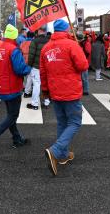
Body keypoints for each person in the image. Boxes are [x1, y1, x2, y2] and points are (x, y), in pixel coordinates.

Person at [40, 19, 89, 177]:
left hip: (54, 91)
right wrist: (78, 49)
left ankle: (62, 155)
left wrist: (46, 91)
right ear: (66, 29)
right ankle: (55, 150)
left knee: (62, 122)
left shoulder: (46, 48)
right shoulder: (72, 45)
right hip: (70, 91)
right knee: (75, 122)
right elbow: (83, 66)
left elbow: (43, 72)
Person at [0, 24, 31, 155]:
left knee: (10, 114)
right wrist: (29, 68)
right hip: (13, 86)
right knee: (12, 116)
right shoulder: (14, 49)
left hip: (2, 85)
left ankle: (17, 139)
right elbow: (20, 69)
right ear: (15, 36)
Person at [27, 25, 51, 110]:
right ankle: (47, 102)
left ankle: (35, 104)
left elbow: (31, 55)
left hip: (36, 66)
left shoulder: (35, 41)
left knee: (36, 85)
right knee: (47, 84)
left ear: (39, 31)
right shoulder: (49, 41)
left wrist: (29, 65)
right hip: (47, 66)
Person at [21, 31, 35, 98]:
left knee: (25, 75)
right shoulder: (33, 42)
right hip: (30, 60)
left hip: (23, 59)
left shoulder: (23, 42)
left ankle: (24, 87)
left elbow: (20, 51)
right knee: (30, 76)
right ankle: (28, 89)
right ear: (33, 36)